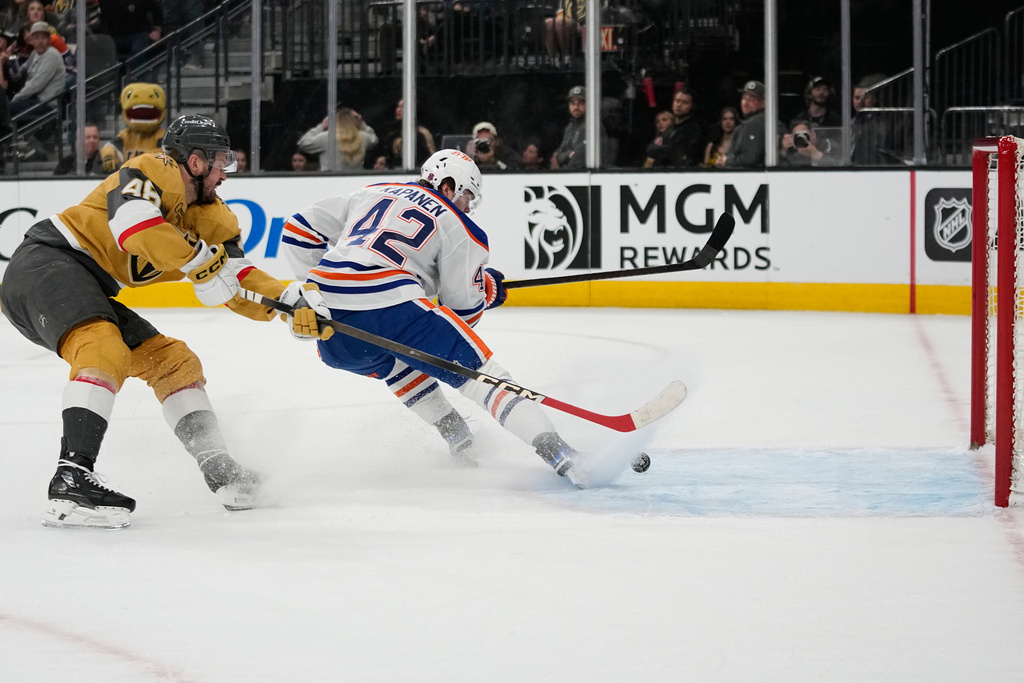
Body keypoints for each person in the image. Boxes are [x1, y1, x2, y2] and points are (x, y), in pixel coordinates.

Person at [0, 115, 290, 528]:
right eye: (221, 161)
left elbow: (235, 279)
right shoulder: (155, 169)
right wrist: (196, 260)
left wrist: (288, 303)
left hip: (86, 283)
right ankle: (72, 476)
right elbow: (135, 227)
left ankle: (221, 471)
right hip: (47, 262)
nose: (226, 173)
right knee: (103, 347)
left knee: (173, 362)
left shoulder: (213, 217)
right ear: (194, 161)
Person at [278, 149, 587, 485]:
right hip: (391, 307)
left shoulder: (373, 192)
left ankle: (457, 436)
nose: (468, 206)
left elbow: (298, 228)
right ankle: (561, 453)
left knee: (397, 360)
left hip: (333, 333)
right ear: (449, 185)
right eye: (468, 196)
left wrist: (316, 293)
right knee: (480, 375)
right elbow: (462, 310)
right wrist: (487, 291)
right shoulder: (460, 225)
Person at [7, 21, 64, 119]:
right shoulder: (35, 53)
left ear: (49, 40)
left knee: (7, 109)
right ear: (32, 40)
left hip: (48, 104)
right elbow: (23, 70)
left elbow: (36, 85)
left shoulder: (52, 55)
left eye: (44, 37)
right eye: (36, 38)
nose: (40, 41)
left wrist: (16, 98)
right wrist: (14, 71)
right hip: (33, 99)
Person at [297, 108, 378, 172]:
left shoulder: (327, 137)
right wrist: (362, 122)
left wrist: (321, 127)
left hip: (329, 181)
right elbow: (374, 140)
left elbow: (303, 143)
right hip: (354, 181)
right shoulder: (363, 137)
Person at [644, 87, 702, 168]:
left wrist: (658, 148)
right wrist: (659, 149)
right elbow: (649, 149)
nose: (679, 105)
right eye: (677, 101)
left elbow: (672, 152)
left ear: (692, 106)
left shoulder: (692, 129)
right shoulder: (670, 128)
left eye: (684, 102)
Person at [718, 80, 770, 169]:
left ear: (763, 103)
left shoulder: (756, 122)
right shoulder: (744, 125)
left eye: (752, 99)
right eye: (744, 98)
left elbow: (749, 159)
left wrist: (727, 161)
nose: (745, 103)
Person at [96, 0, 162, 61]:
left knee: (137, 51)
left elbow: (157, 10)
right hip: (116, 36)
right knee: (102, 55)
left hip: (139, 32)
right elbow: (103, 21)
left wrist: (157, 30)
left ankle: (139, 72)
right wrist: (107, 39)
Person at [380, 98, 436, 168]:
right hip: (396, 173)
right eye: (398, 107)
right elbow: (388, 156)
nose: (398, 110)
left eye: (402, 107)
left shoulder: (422, 133)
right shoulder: (392, 132)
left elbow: (431, 158)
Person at [551, 85, 586, 169]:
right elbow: (557, 155)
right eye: (573, 103)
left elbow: (578, 162)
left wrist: (560, 168)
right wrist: (568, 154)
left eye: (581, 103)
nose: (576, 107)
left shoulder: (591, 127)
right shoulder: (570, 127)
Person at [544, 0, 583, 67]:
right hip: (568, 20)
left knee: (559, 23)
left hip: (583, 21)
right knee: (548, 23)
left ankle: (566, 59)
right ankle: (554, 60)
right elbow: (561, 10)